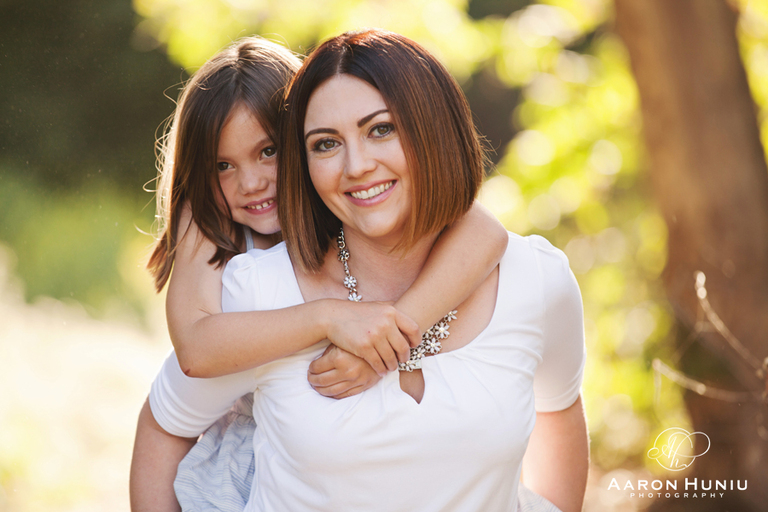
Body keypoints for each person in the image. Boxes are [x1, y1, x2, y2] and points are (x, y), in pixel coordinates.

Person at [130, 35, 510, 511]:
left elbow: (487, 232)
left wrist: (385, 341)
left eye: (268, 152)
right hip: (248, 459)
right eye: (223, 165)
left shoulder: (350, 197)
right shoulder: (205, 218)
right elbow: (194, 350)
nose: (250, 183)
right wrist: (327, 318)